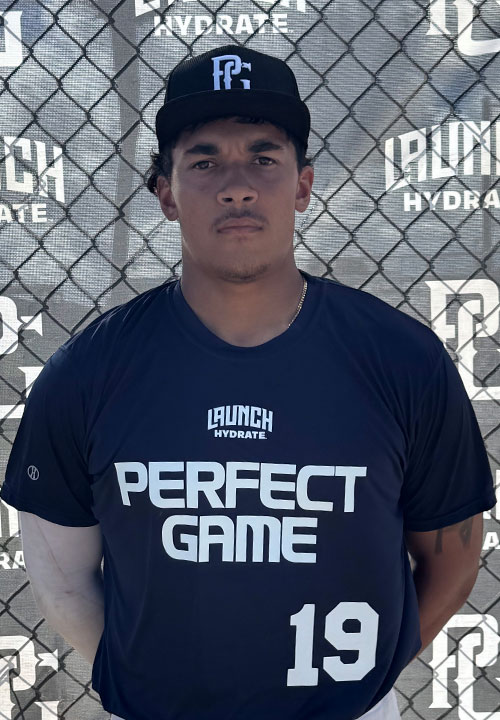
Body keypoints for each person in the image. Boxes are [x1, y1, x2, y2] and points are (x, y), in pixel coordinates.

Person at [0, 43, 496, 720]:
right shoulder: (88, 371)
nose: (237, 185)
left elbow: (453, 561)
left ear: (302, 186)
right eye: (205, 162)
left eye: (264, 158)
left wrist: (359, 688)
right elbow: (62, 582)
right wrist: (159, 690)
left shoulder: (403, 359)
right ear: (166, 194)